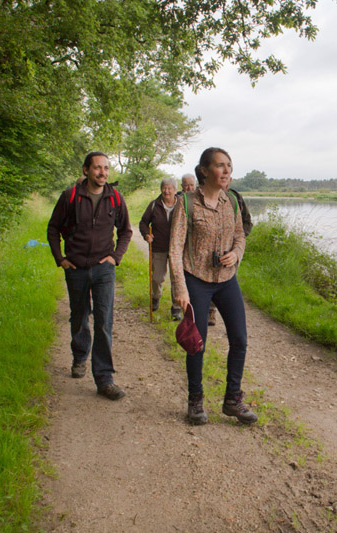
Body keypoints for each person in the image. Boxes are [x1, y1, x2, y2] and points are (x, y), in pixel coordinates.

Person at [169, 147, 257, 425]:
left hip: (226, 279)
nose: (227, 170)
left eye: (229, 165)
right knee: (197, 344)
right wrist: (180, 289)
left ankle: (233, 400)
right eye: (221, 165)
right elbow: (174, 249)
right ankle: (195, 401)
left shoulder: (231, 201)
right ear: (205, 171)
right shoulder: (186, 203)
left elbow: (240, 236)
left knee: (240, 339)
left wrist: (236, 254)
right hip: (196, 279)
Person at [47, 151, 132, 401]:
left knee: (104, 320)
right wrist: (60, 259)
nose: (102, 172)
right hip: (76, 269)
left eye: (106, 168)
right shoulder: (70, 196)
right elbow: (53, 228)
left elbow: (126, 231)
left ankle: (104, 379)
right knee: (79, 316)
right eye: (97, 168)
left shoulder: (115, 198)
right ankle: (79, 356)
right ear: (86, 170)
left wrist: (116, 257)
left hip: (104, 268)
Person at [139, 177, 181, 321]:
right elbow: (143, 222)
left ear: (175, 190)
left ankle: (176, 307)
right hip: (158, 247)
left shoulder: (181, 205)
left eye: (170, 188)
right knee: (157, 277)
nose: (166, 191)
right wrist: (146, 235)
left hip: (177, 249)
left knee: (176, 278)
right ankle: (156, 297)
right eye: (164, 188)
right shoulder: (154, 205)